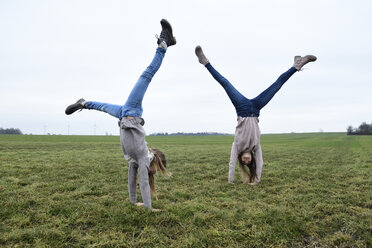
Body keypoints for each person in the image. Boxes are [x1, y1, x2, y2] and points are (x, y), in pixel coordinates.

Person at [65, 19, 176, 211]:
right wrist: (150, 208)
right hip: (131, 114)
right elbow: (142, 180)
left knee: (101, 106)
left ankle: (83, 103)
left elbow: (133, 181)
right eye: (157, 170)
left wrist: (135, 202)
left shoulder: (136, 161)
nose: (154, 173)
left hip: (125, 117)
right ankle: (164, 44)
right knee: (146, 75)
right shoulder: (143, 157)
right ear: (156, 160)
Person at [195, 45, 317, 185]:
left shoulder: (237, 147)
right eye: (249, 161)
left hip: (241, 108)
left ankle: (204, 62)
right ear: (251, 159)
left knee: (225, 83)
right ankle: (297, 65)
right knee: (277, 85)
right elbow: (260, 163)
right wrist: (256, 181)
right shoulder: (256, 147)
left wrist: (230, 180)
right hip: (256, 109)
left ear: (241, 158)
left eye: (243, 161)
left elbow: (231, 163)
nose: (246, 160)